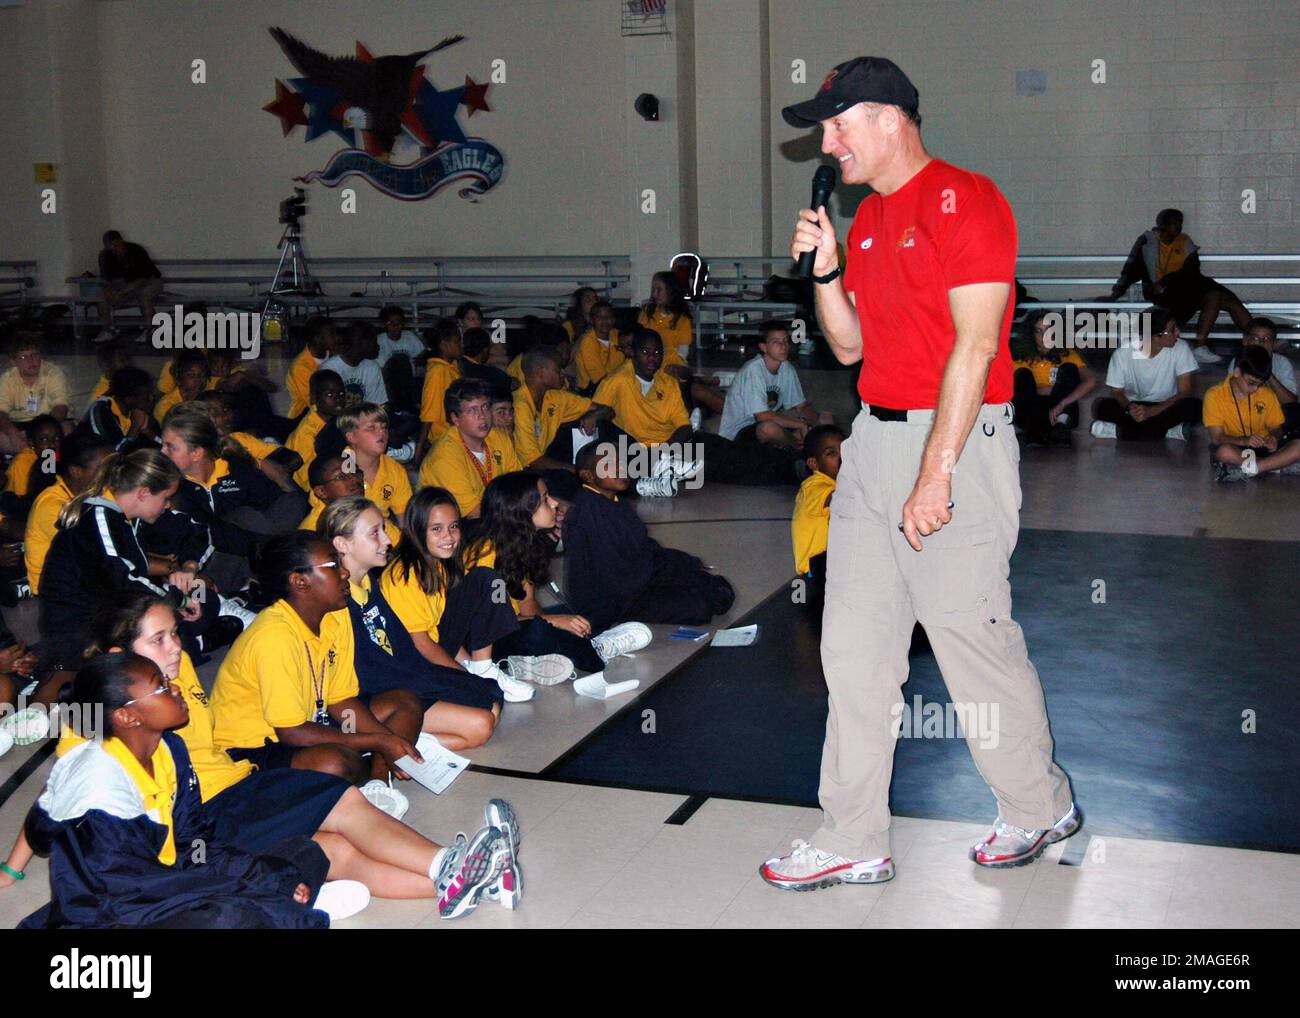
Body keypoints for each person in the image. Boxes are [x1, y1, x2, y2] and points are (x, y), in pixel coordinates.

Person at [762, 56, 1078, 891]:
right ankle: (854, 833)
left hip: (958, 444)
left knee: (970, 640)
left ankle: (1039, 804)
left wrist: (936, 474)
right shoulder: (863, 219)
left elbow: (977, 345)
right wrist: (827, 270)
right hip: (871, 445)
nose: (825, 143)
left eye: (836, 124)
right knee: (855, 649)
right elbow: (850, 346)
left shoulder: (968, 199)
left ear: (890, 116)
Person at [20, 652, 336, 928]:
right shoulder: (102, 789)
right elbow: (134, 893)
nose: (176, 688)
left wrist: (269, 879)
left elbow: (195, 843)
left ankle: (274, 910)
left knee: (304, 853)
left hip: (170, 881)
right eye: (161, 686)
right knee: (230, 917)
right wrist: (255, 893)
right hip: (116, 914)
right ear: (127, 716)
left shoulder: (170, 748)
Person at [209, 532, 425, 793]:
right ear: (301, 582)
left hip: (314, 719)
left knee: (404, 702)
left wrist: (386, 741)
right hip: (257, 746)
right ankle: (371, 764)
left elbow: (339, 700)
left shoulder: (337, 613)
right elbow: (291, 732)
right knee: (333, 764)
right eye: (334, 565)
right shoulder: (273, 636)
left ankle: (379, 783)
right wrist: (379, 741)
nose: (345, 573)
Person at [323, 497, 503, 750]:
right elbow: (363, 673)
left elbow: (401, 649)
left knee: (491, 702)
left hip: (401, 678)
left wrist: (448, 678)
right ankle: (392, 744)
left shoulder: (367, 583)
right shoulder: (336, 601)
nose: (387, 540)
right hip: (375, 695)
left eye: (384, 530)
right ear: (343, 544)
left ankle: (410, 738)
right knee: (482, 723)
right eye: (375, 533)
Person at [39, 448, 225, 676]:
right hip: (81, 630)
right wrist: (178, 599)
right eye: (166, 498)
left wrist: (189, 567)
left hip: (120, 612)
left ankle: (199, 637)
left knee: (205, 598)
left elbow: (199, 530)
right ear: (144, 493)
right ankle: (192, 658)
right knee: (169, 615)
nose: (168, 505)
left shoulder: (133, 516)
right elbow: (123, 580)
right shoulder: (97, 518)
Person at [465, 471, 653, 674]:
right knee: (538, 633)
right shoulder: (487, 556)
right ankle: (595, 649)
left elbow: (527, 604)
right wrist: (554, 622)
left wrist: (558, 624)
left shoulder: (521, 544)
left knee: (603, 604)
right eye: (545, 499)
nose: (554, 503)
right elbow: (492, 624)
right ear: (521, 509)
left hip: (515, 624)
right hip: (486, 642)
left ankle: (549, 657)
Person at [380, 486, 534, 701]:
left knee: (489, 580)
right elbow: (421, 642)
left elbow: (444, 628)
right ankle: (482, 670)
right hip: (414, 660)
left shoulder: (441, 565)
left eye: (454, 526)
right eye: (436, 529)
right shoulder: (403, 576)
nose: (448, 536)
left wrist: (468, 665)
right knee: (488, 701)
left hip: (438, 647)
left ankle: (482, 666)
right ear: (417, 529)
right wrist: (466, 676)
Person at [562, 443, 735, 634]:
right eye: (609, 464)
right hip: (614, 598)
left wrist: (684, 564)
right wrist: (675, 569)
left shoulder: (613, 502)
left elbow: (642, 548)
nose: (620, 468)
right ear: (588, 476)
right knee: (701, 605)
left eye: (620, 462)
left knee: (712, 587)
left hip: (634, 581)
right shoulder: (590, 512)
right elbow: (622, 570)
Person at [1103, 208, 1251, 364]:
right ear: (1162, 224)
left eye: (1180, 222)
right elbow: (1131, 269)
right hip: (1161, 292)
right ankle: (1202, 346)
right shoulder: (1148, 242)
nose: (1179, 226)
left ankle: (1256, 340)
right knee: (1215, 295)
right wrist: (1116, 293)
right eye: (1174, 222)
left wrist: (1166, 280)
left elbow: (1192, 271)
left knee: (1225, 298)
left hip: (1188, 286)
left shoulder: (1185, 241)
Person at [23, 430, 114, 599]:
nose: (113, 473)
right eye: (104, 468)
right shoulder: (51, 505)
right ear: (76, 471)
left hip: (81, 589)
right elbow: (98, 553)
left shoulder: (103, 492)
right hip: (51, 599)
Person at [1090, 308, 1202, 440]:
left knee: (1195, 406)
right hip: (1135, 406)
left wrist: (1152, 411)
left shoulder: (1181, 348)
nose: (1178, 333)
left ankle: (1117, 431)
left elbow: (1185, 392)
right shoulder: (1122, 354)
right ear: (1155, 337)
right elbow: (1116, 392)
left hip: (1167, 405)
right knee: (1101, 406)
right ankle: (1168, 431)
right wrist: (1130, 407)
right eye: (1172, 330)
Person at [418, 378, 523, 519]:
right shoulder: (444, 456)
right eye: (473, 410)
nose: (482, 416)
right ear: (455, 418)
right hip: (455, 526)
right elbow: (474, 512)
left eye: (485, 407)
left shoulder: (498, 437)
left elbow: (518, 483)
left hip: (495, 514)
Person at [718, 320, 826, 448]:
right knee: (769, 428)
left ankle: (790, 446)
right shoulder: (753, 370)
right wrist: (800, 425)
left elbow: (801, 406)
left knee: (825, 419)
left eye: (785, 340)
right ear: (763, 347)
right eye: (776, 342)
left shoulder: (787, 368)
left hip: (770, 422)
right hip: (740, 432)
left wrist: (815, 422)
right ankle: (796, 448)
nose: (783, 346)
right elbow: (761, 416)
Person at [1204, 344, 1300, 481]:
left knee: (1298, 446)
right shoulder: (1214, 395)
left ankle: (1255, 468)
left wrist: (1273, 438)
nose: (1255, 389)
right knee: (1224, 452)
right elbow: (1217, 437)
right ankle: (1276, 465)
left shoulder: (1266, 395)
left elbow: (1276, 428)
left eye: (1259, 384)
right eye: (1251, 383)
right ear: (1237, 372)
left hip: (1264, 448)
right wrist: (1244, 441)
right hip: (1238, 447)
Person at [514, 348, 618, 471]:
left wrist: (594, 416)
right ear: (540, 373)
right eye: (558, 370)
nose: (563, 373)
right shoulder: (519, 405)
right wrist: (579, 471)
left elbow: (608, 410)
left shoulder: (554, 397)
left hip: (540, 463)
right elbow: (533, 462)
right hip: (519, 472)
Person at [639, 271, 726, 415]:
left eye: (660, 289)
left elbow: (683, 350)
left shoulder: (682, 318)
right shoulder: (647, 313)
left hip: (673, 362)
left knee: (681, 381)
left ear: (671, 292)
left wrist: (676, 365)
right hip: (651, 361)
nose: (655, 293)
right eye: (653, 289)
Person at [1010, 308, 1097, 445]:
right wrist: (1045, 390)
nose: (1044, 336)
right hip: (1033, 409)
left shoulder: (1067, 354)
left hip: (1062, 408)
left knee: (1069, 368)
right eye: (1038, 331)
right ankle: (1034, 430)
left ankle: (1060, 426)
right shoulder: (1023, 358)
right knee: (1022, 374)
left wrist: (1062, 400)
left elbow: (1091, 381)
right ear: (1031, 334)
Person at [791, 424, 844, 587]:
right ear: (814, 464)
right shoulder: (814, 486)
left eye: (844, 450)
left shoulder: (836, 483)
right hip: (814, 574)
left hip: (829, 567)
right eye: (831, 453)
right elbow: (836, 498)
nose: (841, 457)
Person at [0, 333, 70, 455]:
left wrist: (39, 432)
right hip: (18, 426)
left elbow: (61, 407)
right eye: (23, 357)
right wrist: (12, 433)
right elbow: (1, 412)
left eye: (34, 355)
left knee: (67, 429)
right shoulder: (7, 379)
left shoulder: (54, 373)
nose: (31, 361)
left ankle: (32, 454)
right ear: (13, 361)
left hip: (49, 422)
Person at [1228, 317, 1298, 437]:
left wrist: (1266, 371)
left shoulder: (1282, 362)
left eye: (1266, 339)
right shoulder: (1237, 362)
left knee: (1294, 412)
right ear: (1245, 341)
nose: (1260, 343)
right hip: (1248, 416)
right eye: (1255, 338)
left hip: (1276, 416)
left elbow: (1290, 402)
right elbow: (1235, 397)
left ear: (1273, 344)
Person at [93, 230, 164, 344]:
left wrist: (121, 293)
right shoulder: (105, 255)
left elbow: (143, 279)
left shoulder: (136, 250)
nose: (113, 249)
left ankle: (150, 329)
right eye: (109, 246)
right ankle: (108, 330)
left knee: (144, 295)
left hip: (151, 280)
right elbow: (107, 280)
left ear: (121, 242)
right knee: (101, 297)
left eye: (115, 245)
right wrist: (109, 291)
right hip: (127, 283)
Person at [286, 369, 345, 489]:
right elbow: (304, 477)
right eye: (330, 395)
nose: (338, 398)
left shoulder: (338, 419)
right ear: (313, 398)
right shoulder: (307, 433)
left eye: (341, 394)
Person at [84, 365, 159, 451]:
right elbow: (111, 458)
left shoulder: (139, 412)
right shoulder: (101, 412)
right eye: (146, 395)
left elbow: (163, 449)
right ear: (129, 399)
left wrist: (149, 433)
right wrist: (134, 428)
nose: (151, 398)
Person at [418, 319, 464, 454]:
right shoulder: (437, 371)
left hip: (457, 434)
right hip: (444, 439)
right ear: (444, 345)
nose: (461, 346)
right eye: (458, 342)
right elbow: (428, 414)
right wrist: (417, 456)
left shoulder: (452, 366)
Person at [319, 322, 389, 408]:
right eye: (374, 342)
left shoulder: (372, 367)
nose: (378, 346)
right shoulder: (330, 369)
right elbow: (327, 410)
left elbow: (375, 406)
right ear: (361, 343)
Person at [286, 317, 340, 420]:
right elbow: (313, 403)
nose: (336, 338)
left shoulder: (334, 356)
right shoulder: (300, 366)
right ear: (317, 339)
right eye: (331, 334)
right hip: (303, 418)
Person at [299, 453, 364, 532]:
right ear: (321, 492)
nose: (355, 478)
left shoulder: (363, 507)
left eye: (355, 471)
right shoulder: (314, 533)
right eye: (341, 476)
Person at [573, 300, 625, 392]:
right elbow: (598, 378)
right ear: (592, 320)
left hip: (616, 384)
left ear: (614, 319)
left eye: (609, 317)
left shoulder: (617, 335)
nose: (605, 320)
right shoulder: (588, 342)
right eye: (600, 317)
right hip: (591, 389)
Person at [153, 349, 211, 423]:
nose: (198, 380)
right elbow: (186, 430)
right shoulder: (165, 406)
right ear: (178, 378)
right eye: (191, 375)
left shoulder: (208, 394)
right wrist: (191, 403)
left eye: (202, 375)